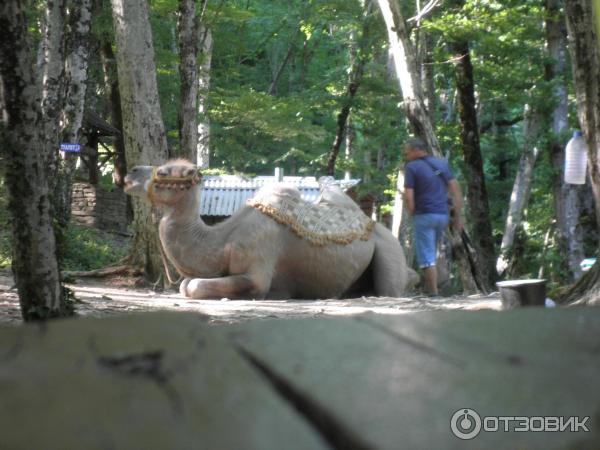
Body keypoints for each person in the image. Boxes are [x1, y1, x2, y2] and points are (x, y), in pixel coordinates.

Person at [403, 137, 463, 296]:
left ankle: (433, 293)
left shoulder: (412, 167)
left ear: (417, 150)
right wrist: (458, 216)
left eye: (408, 153)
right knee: (432, 251)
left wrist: (412, 213)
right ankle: (439, 287)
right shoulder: (442, 164)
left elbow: (409, 196)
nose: (407, 156)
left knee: (426, 256)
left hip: (424, 215)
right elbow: (456, 189)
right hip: (442, 216)